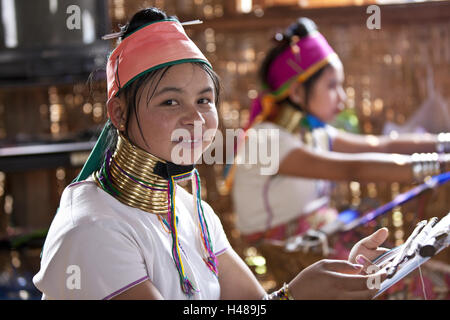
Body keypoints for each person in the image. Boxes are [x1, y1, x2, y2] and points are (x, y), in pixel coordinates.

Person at [32, 7, 389, 300]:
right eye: (170, 101)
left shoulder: (191, 211)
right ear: (119, 114)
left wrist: (342, 280)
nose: (196, 118)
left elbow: (253, 307)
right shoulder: (93, 228)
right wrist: (295, 296)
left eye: (204, 100)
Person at [228, 17, 450, 298]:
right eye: (332, 86)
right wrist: (440, 163)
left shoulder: (312, 133)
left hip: (325, 243)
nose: (342, 99)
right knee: (430, 284)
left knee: (430, 275)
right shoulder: (267, 139)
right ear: (296, 91)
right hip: (301, 256)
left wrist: (444, 144)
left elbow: (379, 145)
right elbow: (353, 168)